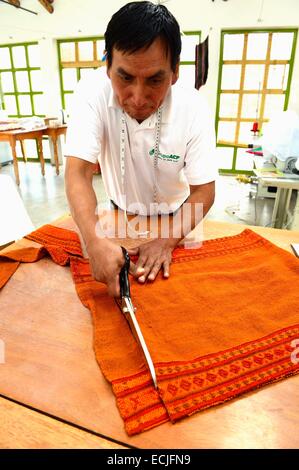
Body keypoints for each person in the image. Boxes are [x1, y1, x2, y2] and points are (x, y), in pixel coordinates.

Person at [64, 1, 217, 297]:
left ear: (175, 72)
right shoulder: (90, 92)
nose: (137, 97)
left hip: (178, 219)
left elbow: (204, 191)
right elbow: (78, 173)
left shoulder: (194, 107)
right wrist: (95, 241)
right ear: (108, 67)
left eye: (155, 80)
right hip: (117, 215)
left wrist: (166, 240)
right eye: (125, 77)